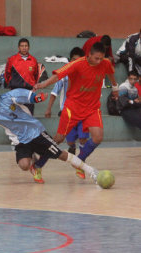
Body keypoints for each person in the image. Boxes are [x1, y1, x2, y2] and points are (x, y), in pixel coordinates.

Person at [0, 86, 99, 185]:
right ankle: (34, 161)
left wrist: (37, 98)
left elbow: (27, 96)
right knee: (24, 166)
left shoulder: (9, 97)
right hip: (20, 140)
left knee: (62, 155)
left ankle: (91, 171)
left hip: (36, 132)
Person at [35, 42, 119, 179]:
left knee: (98, 137)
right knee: (58, 139)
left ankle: (79, 162)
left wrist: (115, 88)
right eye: (96, 58)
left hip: (92, 107)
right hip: (73, 107)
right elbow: (58, 76)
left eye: (101, 58)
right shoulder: (77, 64)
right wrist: (44, 84)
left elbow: (110, 73)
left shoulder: (105, 63)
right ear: (89, 55)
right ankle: (38, 165)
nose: (99, 61)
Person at [45, 47, 89, 175]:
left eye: (79, 60)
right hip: (68, 113)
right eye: (73, 60)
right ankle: (72, 147)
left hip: (83, 113)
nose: (76, 62)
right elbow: (54, 93)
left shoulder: (86, 76)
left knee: (83, 139)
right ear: (70, 61)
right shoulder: (64, 76)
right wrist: (48, 109)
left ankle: (81, 164)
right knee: (69, 140)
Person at [5, 38, 38, 114]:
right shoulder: (12, 59)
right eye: (22, 46)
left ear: (29, 47)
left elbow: (36, 75)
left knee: (29, 115)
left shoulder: (33, 60)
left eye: (26, 46)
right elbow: (7, 75)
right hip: (15, 91)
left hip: (29, 92)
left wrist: (32, 86)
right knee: (15, 115)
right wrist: (12, 85)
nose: (24, 48)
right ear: (18, 47)